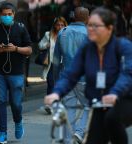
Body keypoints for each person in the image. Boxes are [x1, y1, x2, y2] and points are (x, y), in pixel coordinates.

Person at [45, 7, 132, 144]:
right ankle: (75, 137)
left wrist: (115, 92)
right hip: (97, 100)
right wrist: (57, 91)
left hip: (123, 99)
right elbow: (72, 73)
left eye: (96, 26)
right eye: (90, 25)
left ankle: (80, 133)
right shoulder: (88, 46)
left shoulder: (123, 47)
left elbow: (127, 74)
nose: (91, 29)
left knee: (113, 121)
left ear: (109, 28)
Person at [0, 2, 32, 144]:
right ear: (0, 15)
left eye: (9, 14)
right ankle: (2, 134)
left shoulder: (21, 28)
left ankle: (18, 122)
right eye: (4, 15)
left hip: (16, 73)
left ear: (14, 14)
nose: (6, 17)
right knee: (0, 101)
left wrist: (16, 49)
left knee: (16, 103)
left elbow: (29, 50)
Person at [53, 7, 89, 144]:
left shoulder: (62, 32)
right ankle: (80, 132)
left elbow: (56, 60)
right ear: (87, 18)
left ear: (74, 17)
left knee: (69, 110)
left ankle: (68, 140)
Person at [38, 16, 67, 95]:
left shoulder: (67, 35)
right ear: (54, 25)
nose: (60, 27)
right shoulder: (48, 35)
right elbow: (40, 45)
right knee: (51, 85)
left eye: (62, 25)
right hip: (51, 64)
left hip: (63, 64)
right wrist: (46, 45)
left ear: (65, 26)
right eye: (58, 25)